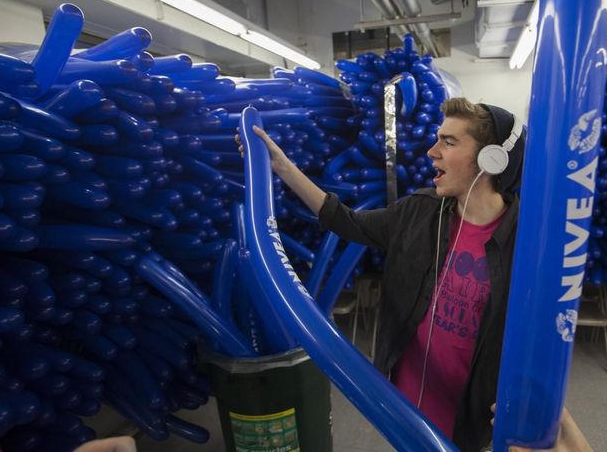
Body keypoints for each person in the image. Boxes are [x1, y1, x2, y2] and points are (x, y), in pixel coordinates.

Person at [238, 97, 589, 452]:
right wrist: (281, 167)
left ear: (491, 159)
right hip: (406, 401)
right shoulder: (419, 212)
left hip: (472, 414)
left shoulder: (529, 241)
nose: (432, 151)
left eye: (449, 142)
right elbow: (345, 221)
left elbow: (545, 332)